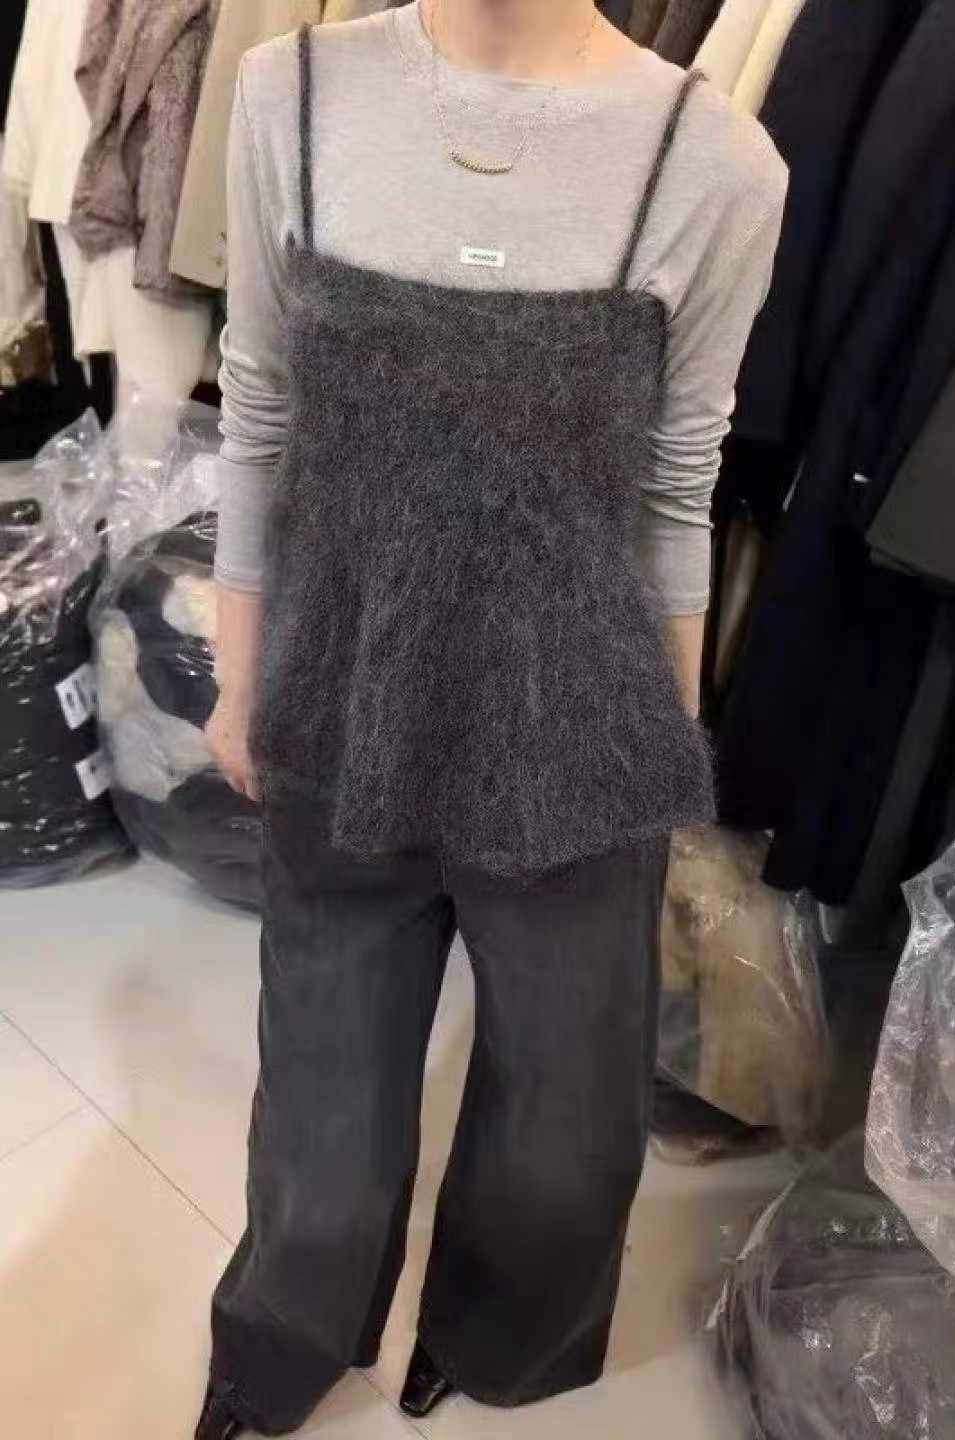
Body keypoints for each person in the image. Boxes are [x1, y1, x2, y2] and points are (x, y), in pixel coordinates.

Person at [197, 1, 786, 1434]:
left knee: (567, 1148)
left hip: (577, 722)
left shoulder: (712, 160)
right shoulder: (293, 94)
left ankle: (500, 1341)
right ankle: (281, 1350)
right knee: (324, 1122)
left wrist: (668, 745)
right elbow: (260, 413)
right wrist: (238, 675)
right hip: (344, 696)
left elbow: (677, 484)